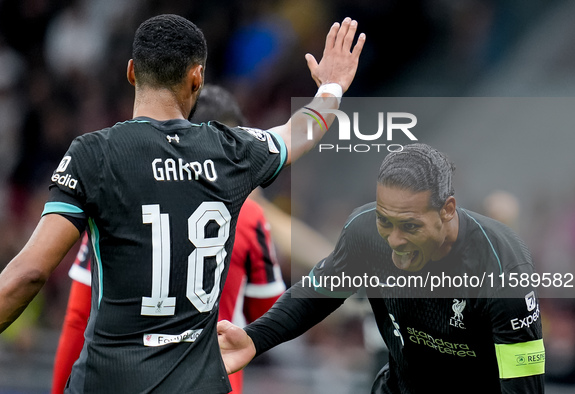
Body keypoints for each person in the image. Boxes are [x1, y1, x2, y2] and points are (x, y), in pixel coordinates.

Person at [0, 14, 365, 394]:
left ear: (131, 72)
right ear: (196, 78)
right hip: (200, 384)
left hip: (109, 381)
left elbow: (30, 273)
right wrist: (332, 89)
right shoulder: (231, 152)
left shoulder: (93, 155)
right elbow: (298, 134)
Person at [218, 143, 545, 393]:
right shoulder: (366, 233)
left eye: (410, 226)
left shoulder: (504, 270)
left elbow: (524, 387)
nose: (395, 240)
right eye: (385, 221)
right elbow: (316, 294)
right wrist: (254, 339)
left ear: (447, 210)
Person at [50, 85, 286, 394]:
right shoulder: (252, 217)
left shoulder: (112, 200)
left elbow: (79, 316)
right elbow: (267, 312)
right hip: (212, 382)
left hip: (124, 379)